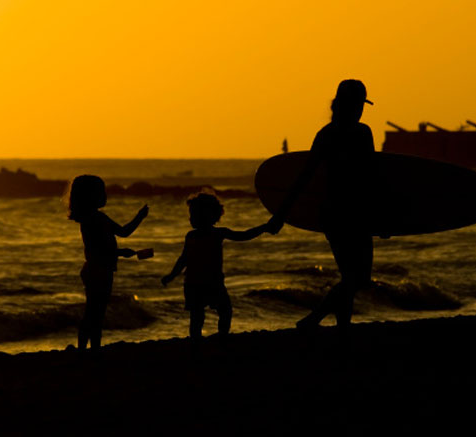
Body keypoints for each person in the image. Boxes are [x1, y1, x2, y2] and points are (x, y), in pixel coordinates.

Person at [268, 79, 376, 339]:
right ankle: (314, 319)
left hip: (352, 213)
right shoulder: (338, 135)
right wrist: (280, 215)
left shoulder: (344, 133)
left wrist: (382, 218)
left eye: (362, 106)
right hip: (340, 213)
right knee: (356, 278)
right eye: (357, 105)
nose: (360, 110)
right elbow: (306, 176)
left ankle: (341, 328)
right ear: (344, 105)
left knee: (352, 277)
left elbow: (372, 177)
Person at [161, 191, 269, 345]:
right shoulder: (200, 235)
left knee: (215, 312)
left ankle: (211, 339)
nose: (191, 219)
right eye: (191, 215)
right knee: (207, 314)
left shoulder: (209, 234)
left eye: (194, 215)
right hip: (201, 283)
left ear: (209, 216)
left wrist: (264, 228)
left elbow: (243, 236)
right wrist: (171, 275)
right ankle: (210, 338)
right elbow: (184, 259)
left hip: (204, 283)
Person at [67, 175, 149, 352]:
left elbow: (122, 233)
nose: (105, 195)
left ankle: (87, 349)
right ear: (90, 196)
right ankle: (89, 349)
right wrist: (120, 252)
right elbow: (100, 249)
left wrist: (140, 217)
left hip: (97, 269)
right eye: (101, 192)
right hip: (98, 270)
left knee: (94, 312)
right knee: (95, 314)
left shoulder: (94, 218)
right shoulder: (95, 219)